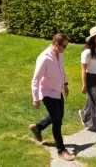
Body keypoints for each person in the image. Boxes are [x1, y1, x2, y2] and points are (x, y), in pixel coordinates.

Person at [29, 33, 76, 162]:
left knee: (59, 115)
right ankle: (61, 150)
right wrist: (35, 98)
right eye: (64, 46)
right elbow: (35, 80)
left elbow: (62, 70)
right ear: (56, 44)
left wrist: (65, 84)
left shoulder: (60, 54)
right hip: (47, 93)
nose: (65, 49)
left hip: (57, 90)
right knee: (57, 122)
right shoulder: (44, 58)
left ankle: (38, 127)